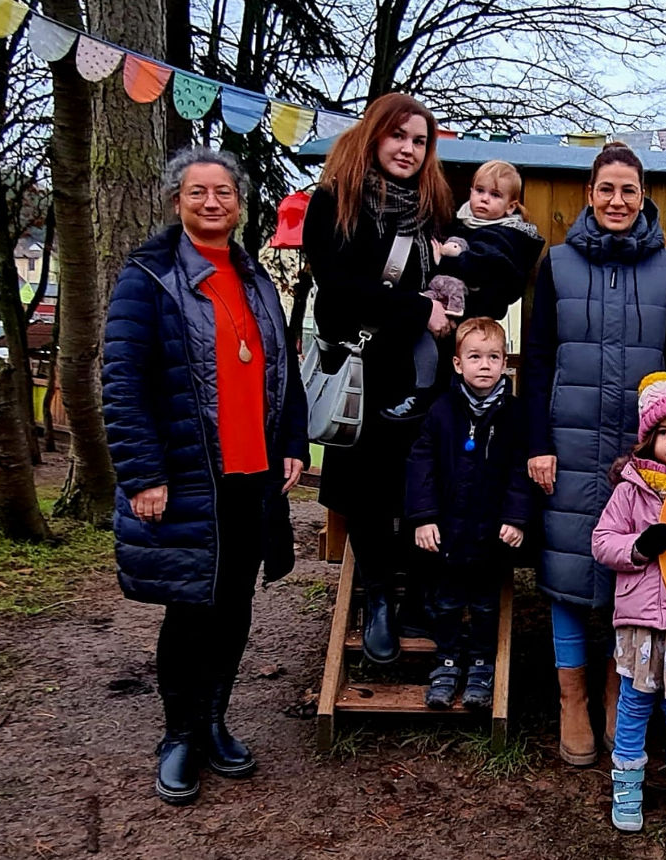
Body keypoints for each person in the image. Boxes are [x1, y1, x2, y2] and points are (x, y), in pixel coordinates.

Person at [102, 147, 309, 805]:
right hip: (190, 475)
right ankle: (180, 736)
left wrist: (293, 440)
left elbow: (284, 367)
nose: (212, 202)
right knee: (190, 610)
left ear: (239, 204)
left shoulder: (255, 279)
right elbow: (123, 383)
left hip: (254, 474)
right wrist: (143, 473)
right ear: (177, 202)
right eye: (198, 192)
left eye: (223, 192)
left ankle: (216, 722)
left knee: (234, 606)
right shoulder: (148, 279)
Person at [521, 141, 666, 766]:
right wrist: (538, 443)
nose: (617, 200)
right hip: (567, 447)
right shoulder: (559, 263)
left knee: (640, 573)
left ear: (642, 196)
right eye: (606, 189)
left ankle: (616, 690)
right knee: (569, 574)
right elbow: (537, 357)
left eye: (628, 190)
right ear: (589, 196)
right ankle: (572, 701)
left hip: (645, 455)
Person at [301, 93, 455, 665]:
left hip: (418, 374)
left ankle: (416, 592)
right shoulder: (333, 202)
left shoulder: (434, 208)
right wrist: (417, 310)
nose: (408, 149)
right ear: (374, 135)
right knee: (366, 493)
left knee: (422, 485)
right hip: (362, 372)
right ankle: (378, 600)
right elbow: (339, 289)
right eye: (399, 136)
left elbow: (459, 270)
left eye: (419, 141)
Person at [592, 372, 666, 841]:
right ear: (648, 439)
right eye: (665, 432)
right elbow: (603, 542)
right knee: (634, 705)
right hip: (639, 624)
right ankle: (627, 788)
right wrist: (640, 547)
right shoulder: (630, 489)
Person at [405, 317, 531, 711]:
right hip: (448, 529)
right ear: (458, 363)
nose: (485, 365)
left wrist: (516, 518)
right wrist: (423, 516)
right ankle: (445, 664)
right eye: (475, 357)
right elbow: (421, 463)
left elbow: (519, 470)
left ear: (504, 363)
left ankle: (480, 666)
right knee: (445, 601)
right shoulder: (443, 410)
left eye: (494, 357)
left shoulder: (512, 413)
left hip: (490, 532)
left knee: (485, 604)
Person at [385, 159, 545, 419]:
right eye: (479, 191)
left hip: (469, 318)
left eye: (495, 195)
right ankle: (419, 393)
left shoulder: (507, 235)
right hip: (446, 307)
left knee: (453, 365)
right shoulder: (463, 224)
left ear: (511, 205)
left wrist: (447, 259)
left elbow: (489, 266)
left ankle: (423, 394)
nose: (484, 199)